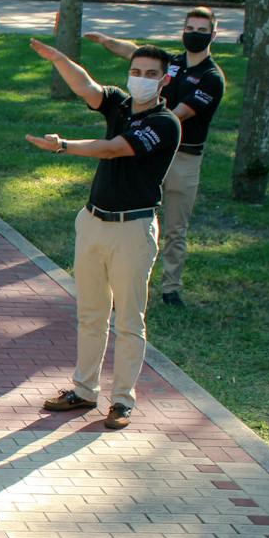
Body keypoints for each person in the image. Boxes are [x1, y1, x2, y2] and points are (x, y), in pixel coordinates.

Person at [26, 38, 181, 431]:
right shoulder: (122, 105)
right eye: (135, 71)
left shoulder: (165, 123)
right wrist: (60, 58)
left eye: (150, 75)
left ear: (163, 80)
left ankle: (123, 401)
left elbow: (114, 149)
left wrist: (64, 146)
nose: (140, 79)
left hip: (133, 228)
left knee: (129, 319)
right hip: (93, 221)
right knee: (90, 313)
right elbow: (87, 87)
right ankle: (84, 389)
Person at [84, 7, 225, 307]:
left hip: (183, 158)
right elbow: (134, 52)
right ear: (182, 30)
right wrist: (106, 40)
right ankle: (126, 277)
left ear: (213, 34)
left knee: (175, 226)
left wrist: (147, 130)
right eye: (190, 28)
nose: (194, 35)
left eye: (202, 30)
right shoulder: (173, 64)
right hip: (146, 152)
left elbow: (176, 117)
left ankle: (171, 288)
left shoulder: (212, 78)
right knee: (132, 215)